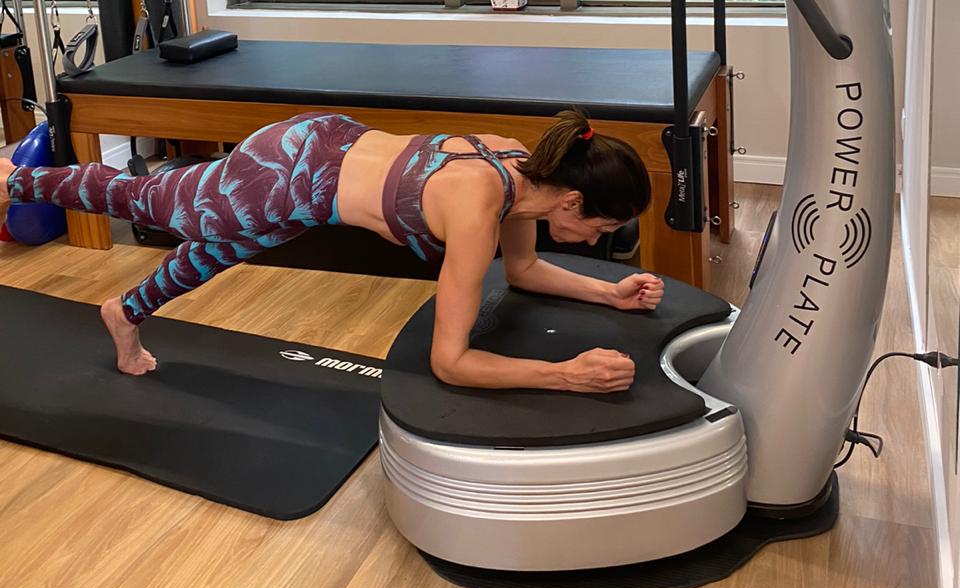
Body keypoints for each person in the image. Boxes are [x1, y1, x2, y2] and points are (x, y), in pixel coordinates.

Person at [0, 106, 662, 390]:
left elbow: (523, 270)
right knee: (146, 200)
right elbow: (451, 362)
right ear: (573, 202)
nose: (597, 241)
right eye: (601, 229)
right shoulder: (477, 207)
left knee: (220, 247)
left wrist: (610, 293)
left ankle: (125, 312)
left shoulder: (522, 167)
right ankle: (13, 180)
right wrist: (564, 374)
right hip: (285, 171)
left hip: (322, 162)